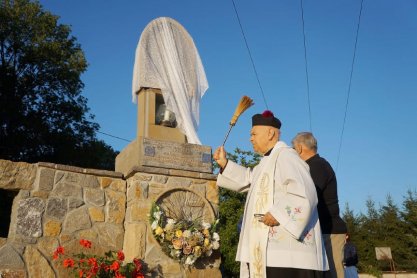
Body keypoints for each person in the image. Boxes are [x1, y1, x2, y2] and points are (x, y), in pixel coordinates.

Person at [214, 110, 328, 278]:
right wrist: (225, 164)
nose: (250, 138)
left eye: (253, 133)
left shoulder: (287, 156)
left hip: (286, 255)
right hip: (267, 252)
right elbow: (249, 180)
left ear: (270, 133)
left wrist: (279, 213)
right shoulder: (266, 163)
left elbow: (305, 192)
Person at [292, 132, 348, 278]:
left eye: (293, 148)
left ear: (299, 148)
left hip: (329, 231)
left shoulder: (317, 166)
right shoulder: (314, 165)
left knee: (333, 272)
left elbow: (307, 195)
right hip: (321, 230)